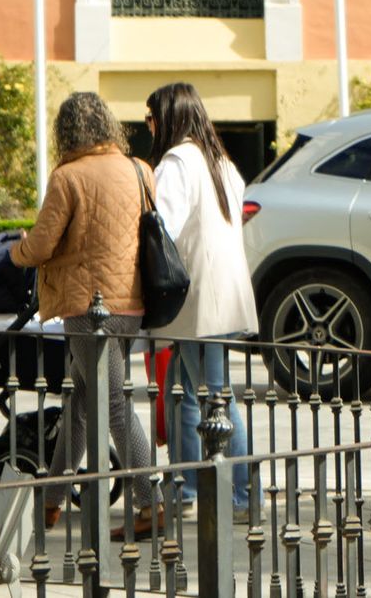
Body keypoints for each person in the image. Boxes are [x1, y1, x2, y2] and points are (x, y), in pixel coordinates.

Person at [11, 91, 158, 538]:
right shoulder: (140, 169)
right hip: (132, 304)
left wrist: (17, 250)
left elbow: (41, 245)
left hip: (87, 309)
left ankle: (150, 501)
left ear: (66, 131)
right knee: (80, 401)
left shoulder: (67, 177)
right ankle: (52, 500)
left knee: (111, 403)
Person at [144, 82, 257, 522]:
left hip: (201, 300)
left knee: (213, 399)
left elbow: (164, 229)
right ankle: (189, 488)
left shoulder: (177, 162)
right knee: (187, 394)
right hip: (224, 294)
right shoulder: (221, 163)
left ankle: (239, 495)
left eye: (151, 118)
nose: (148, 127)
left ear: (168, 118)